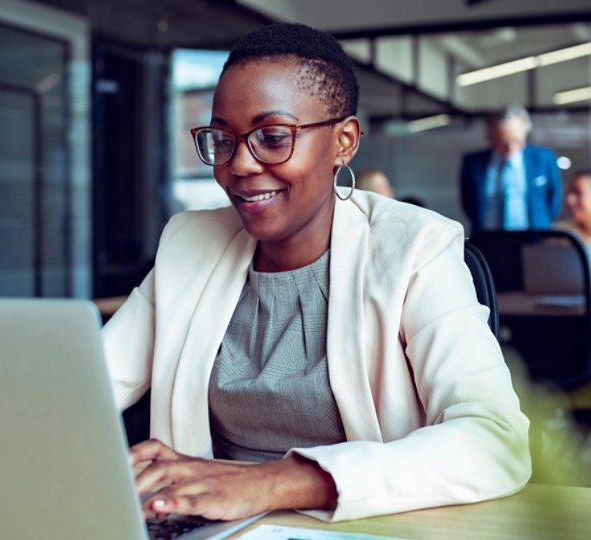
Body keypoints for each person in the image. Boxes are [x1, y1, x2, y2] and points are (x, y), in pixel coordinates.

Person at [101, 23, 530, 523]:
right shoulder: (189, 245)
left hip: (363, 527)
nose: (239, 164)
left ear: (344, 141)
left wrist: (270, 484)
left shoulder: (416, 247)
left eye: (273, 136)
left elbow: (494, 439)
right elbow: (83, 392)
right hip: (210, 528)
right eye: (223, 139)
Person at [459, 104, 562, 232]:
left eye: (516, 140)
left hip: (534, 239)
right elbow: (468, 203)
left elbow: (553, 202)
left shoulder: (544, 158)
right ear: (490, 137)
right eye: (503, 142)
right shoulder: (473, 163)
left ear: (524, 135)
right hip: (487, 239)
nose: (510, 148)